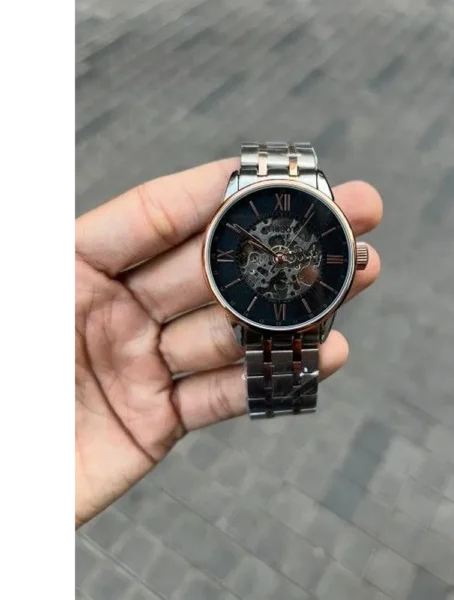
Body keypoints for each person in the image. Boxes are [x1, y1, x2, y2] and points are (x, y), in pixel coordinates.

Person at [73, 156, 383, 529]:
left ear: (353, 259)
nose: (279, 257)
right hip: (264, 308)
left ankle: (282, 393)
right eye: (273, 255)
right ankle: (282, 394)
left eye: (283, 256)